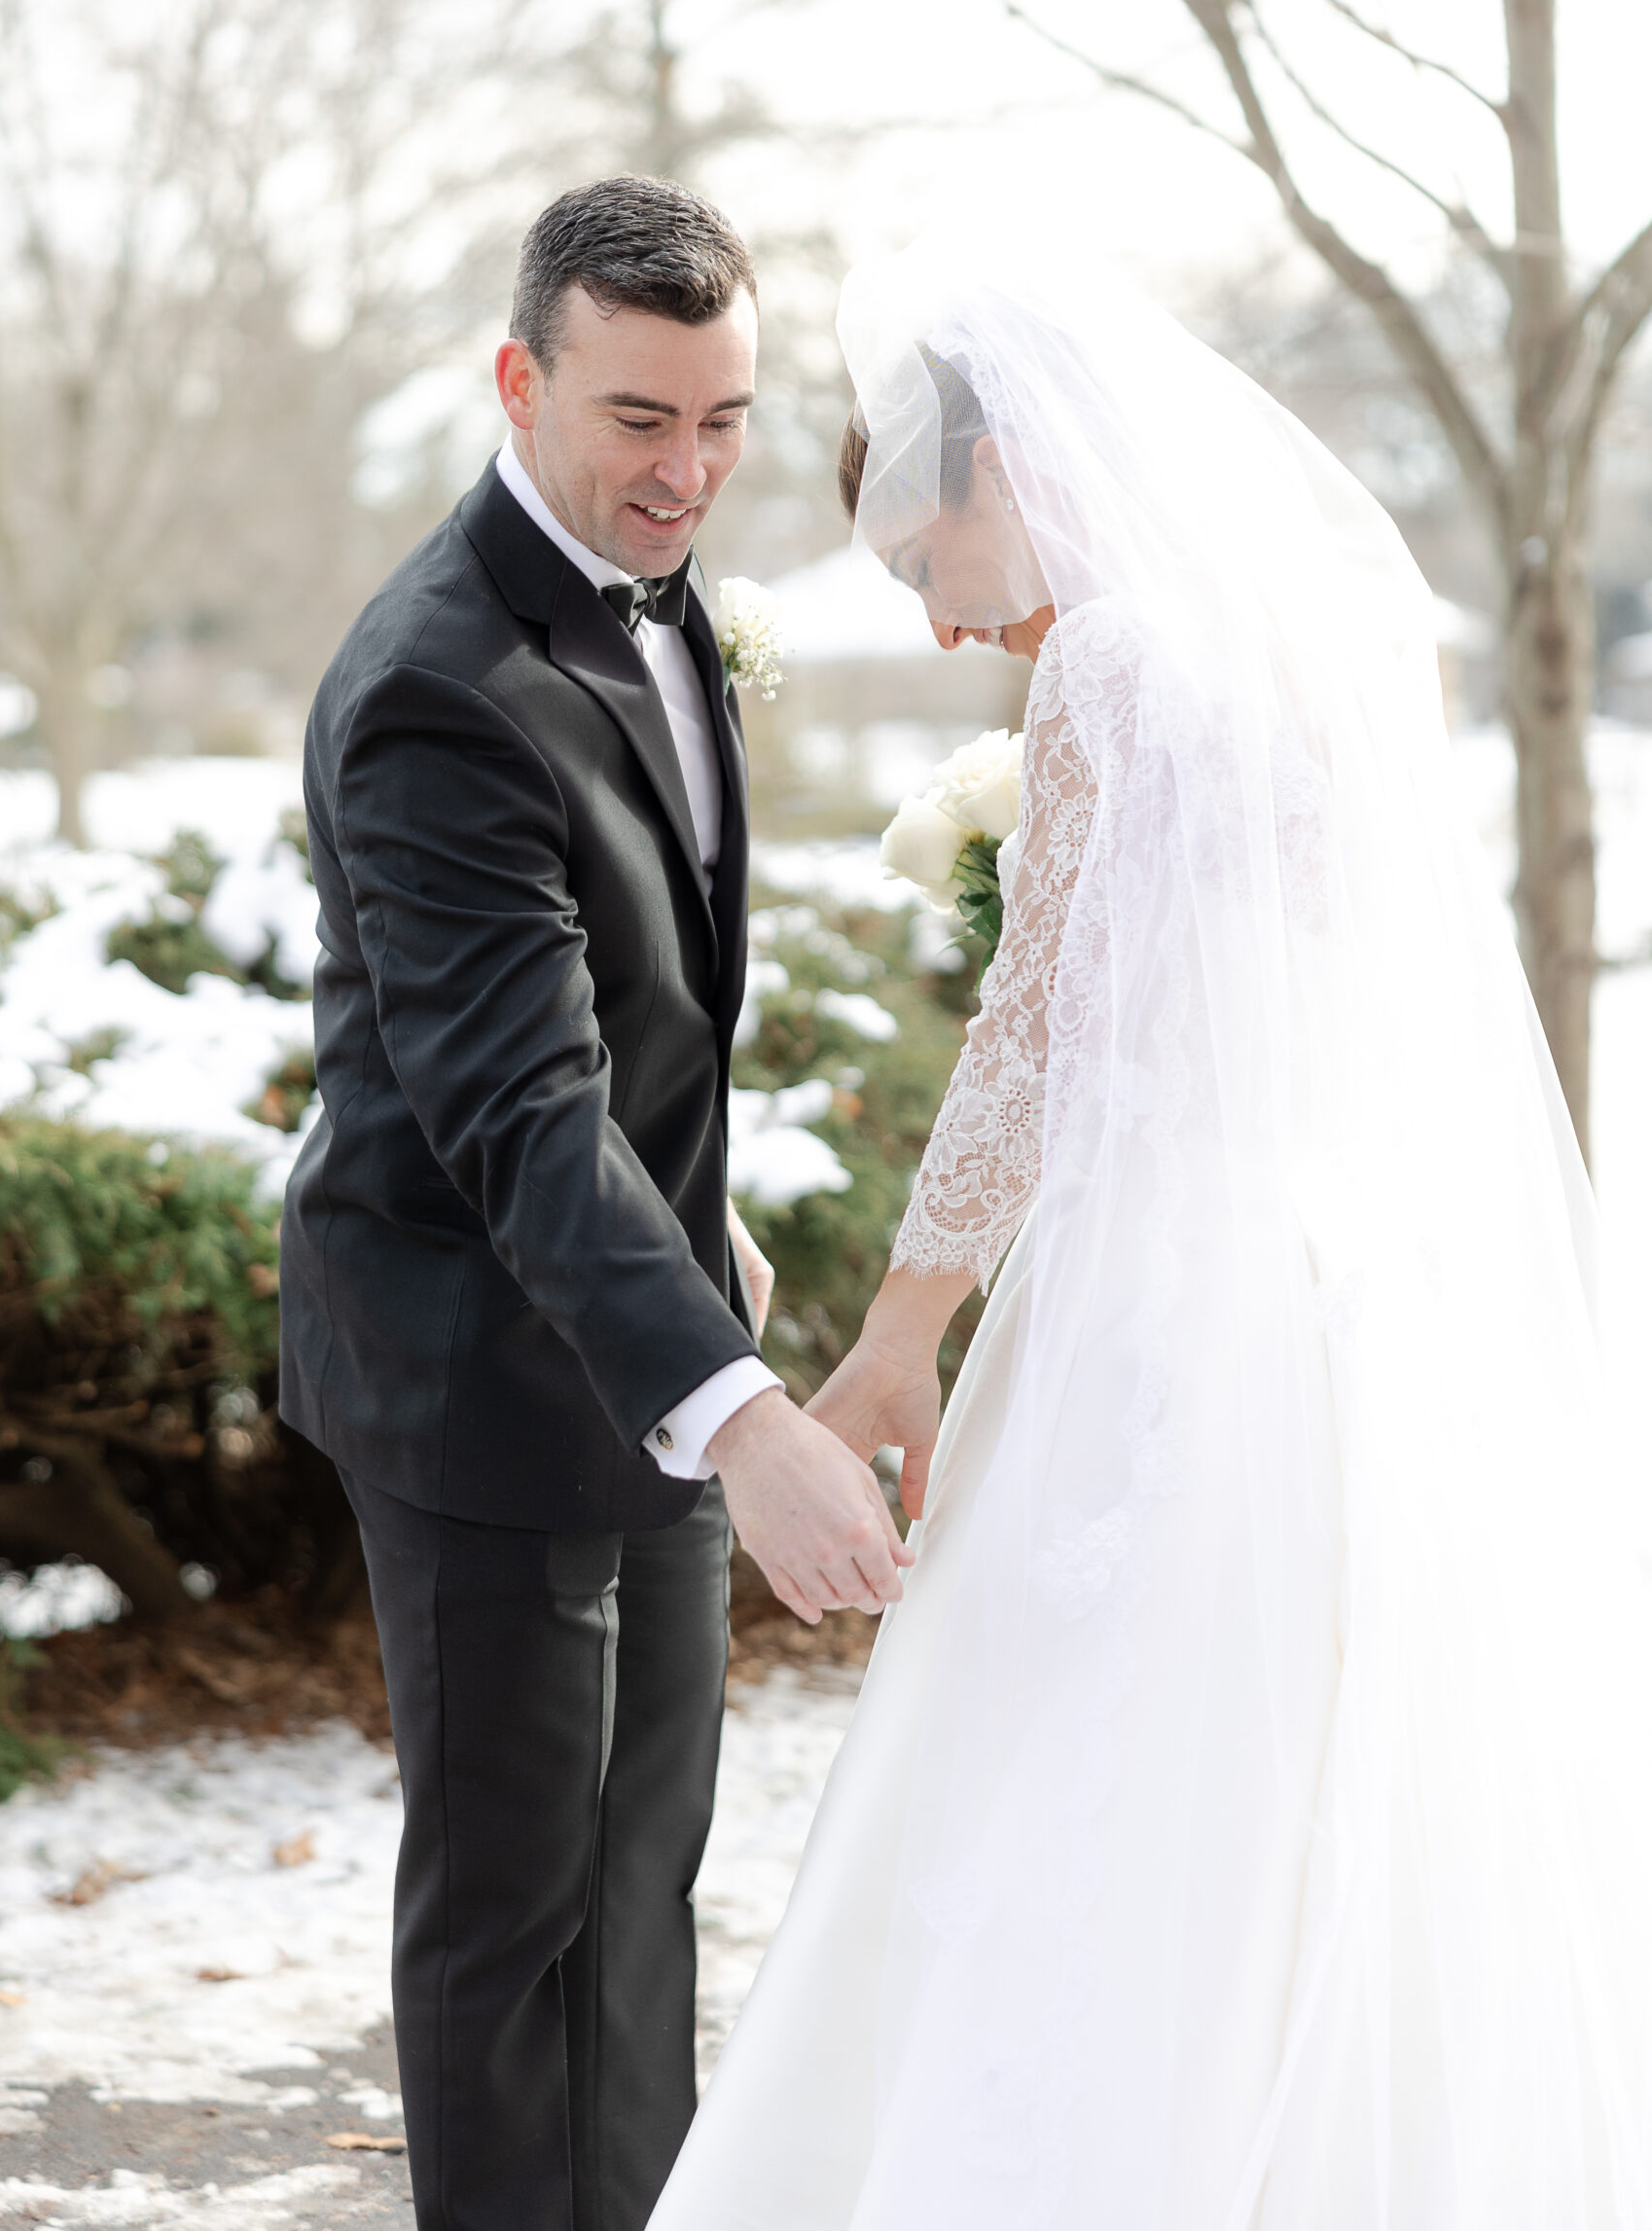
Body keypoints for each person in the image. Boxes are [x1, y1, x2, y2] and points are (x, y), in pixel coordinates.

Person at [650, 229, 1652, 2228]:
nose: (946, 623)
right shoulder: (1323, 641)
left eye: (923, 562)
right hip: (1337, 1300)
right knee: (1300, 1791)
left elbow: (1035, 1039)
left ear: (1010, 466)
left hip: (1162, 1309)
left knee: (1092, 1781)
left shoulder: (1111, 663)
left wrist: (895, 1337)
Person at [278, 175, 909, 2231]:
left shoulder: (667, 602)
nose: (686, 472)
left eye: (722, 421)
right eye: (638, 418)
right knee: (514, 1920)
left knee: (639, 1898)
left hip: (643, 1338)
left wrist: (704, 1236)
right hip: (478, 1378)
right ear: (517, 379)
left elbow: (643, 1005)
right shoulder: (436, 685)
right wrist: (746, 1414)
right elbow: (521, 1107)